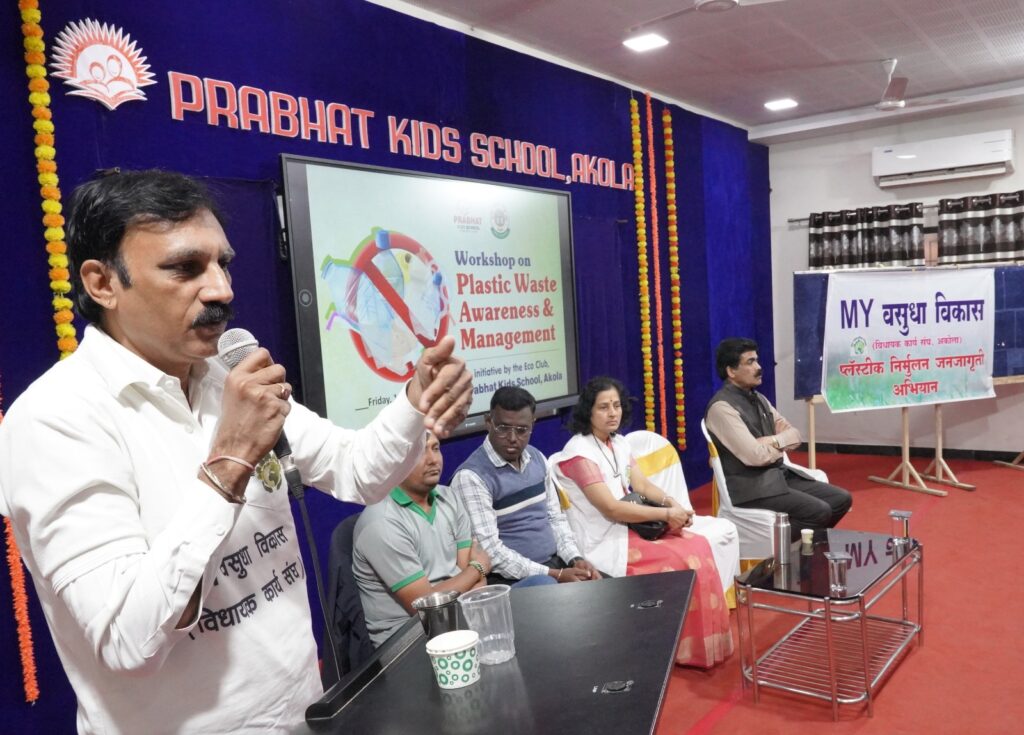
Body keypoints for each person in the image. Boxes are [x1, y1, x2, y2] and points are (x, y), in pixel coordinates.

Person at [0, 170, 473, 734]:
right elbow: (128, 641)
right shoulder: (54, 420)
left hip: (303, 714)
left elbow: (357, 471)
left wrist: (416, 401)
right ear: (103, 283)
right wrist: (230, 461)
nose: (221, 289)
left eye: (222, 264)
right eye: (185, 268)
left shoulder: (225, 375)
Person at [552, 377, 733, 668]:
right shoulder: (578, 454)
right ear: (588, 411)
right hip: (605, 538)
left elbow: (643, 486)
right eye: (603, 407)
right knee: (682, 559)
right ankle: (677, 649)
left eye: (616, 405)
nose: (612, 413)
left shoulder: (618, 442)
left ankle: (705, 646)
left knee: (699, 546)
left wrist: (673, 504)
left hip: (630, 526)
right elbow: (611, 508)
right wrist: (666, 516)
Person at [352, 431, 491, 646]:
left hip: (457, 616)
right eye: (419, 452)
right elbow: (426, 607)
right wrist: (478, 568)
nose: (433, 459)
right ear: (395, 461)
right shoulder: (381, 522)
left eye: (435, 448)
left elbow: (473, 583)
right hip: (408, 639)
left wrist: (471, 575)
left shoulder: (450, 497)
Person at [451, 386, 601, 586]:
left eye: (522, 430)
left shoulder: (537, 458)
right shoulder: (471, 476)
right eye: (503, 428)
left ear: (532, 425)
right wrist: (554, 574)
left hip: (554, 566)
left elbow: (555, 518)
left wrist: (575, 559)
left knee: (604, 587)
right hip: (510, 581)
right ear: (488, 422)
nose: (512, 438)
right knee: (552, 588)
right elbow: (491, 553)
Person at [705, 338, 852, 539]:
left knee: (841, 499)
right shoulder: (721, 408)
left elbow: (795, 436)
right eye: (750, 362)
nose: (758, 367)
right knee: (818, 511)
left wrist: (772, 441)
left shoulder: (759, 399)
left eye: (757, 360)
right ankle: (781, 551)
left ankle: (805, 547)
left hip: (777, 477)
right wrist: (780, 444)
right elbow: (755, 457)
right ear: (731, 371)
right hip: (751, 487)